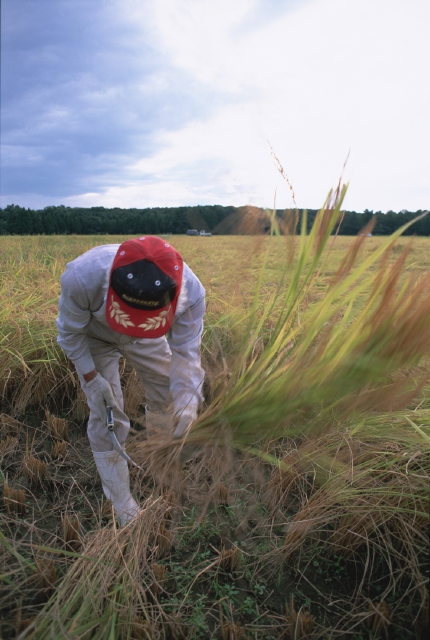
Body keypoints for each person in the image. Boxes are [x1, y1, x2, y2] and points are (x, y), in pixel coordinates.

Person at [56, 236, 205, 525]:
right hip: (94, 335)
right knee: (107, 413)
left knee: (168, 392)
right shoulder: (82, 276)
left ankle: (161, 458)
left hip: (149, 337)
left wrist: (187, 403)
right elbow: (70, 334)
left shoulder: (192, 294)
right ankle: (121, 501)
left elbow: (186, 355)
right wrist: (92, 378)